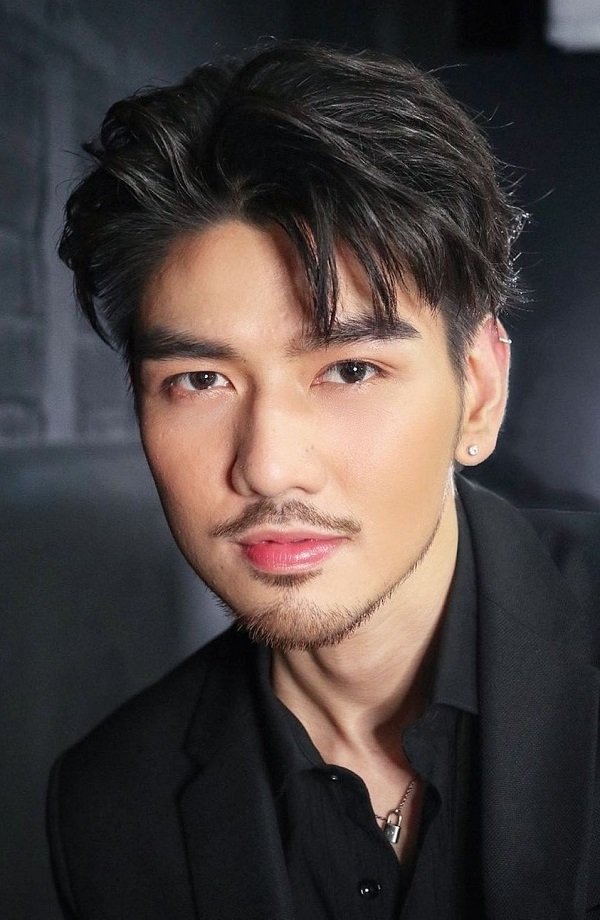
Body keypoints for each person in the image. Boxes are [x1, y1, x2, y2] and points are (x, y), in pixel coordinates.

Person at [47, 42, 600, 920]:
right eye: (200, 380)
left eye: (349, 370)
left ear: (479, 391)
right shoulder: (112, 804)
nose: (268, 465)